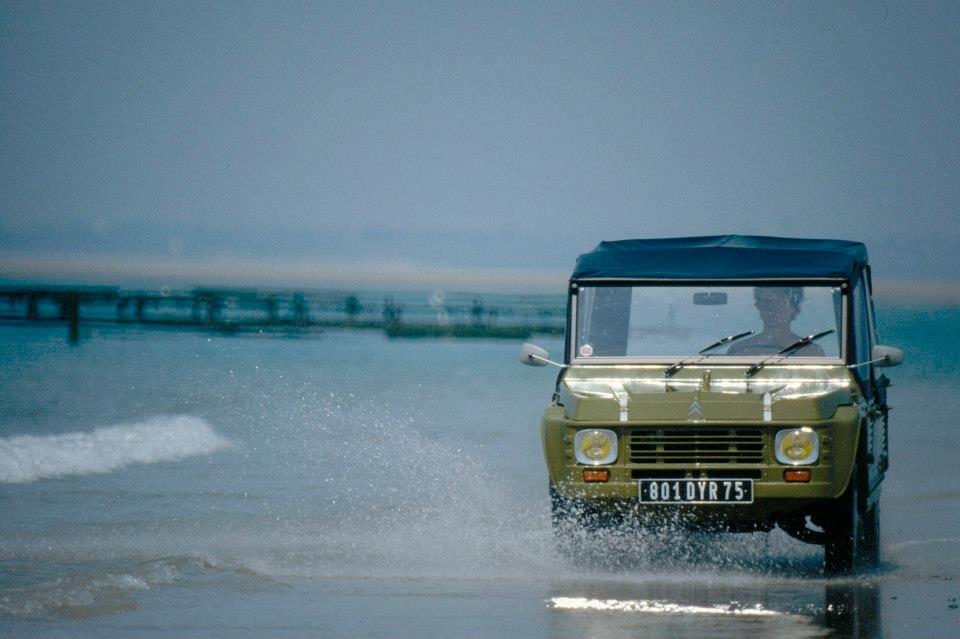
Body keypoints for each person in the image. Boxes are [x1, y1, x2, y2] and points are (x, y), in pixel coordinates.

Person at [726, 287, 825, 356]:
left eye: (780, 303)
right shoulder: (739, 350)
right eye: (767, 302)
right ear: (758, 306)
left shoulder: (810, 352)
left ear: (793, 308)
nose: (772, 308)